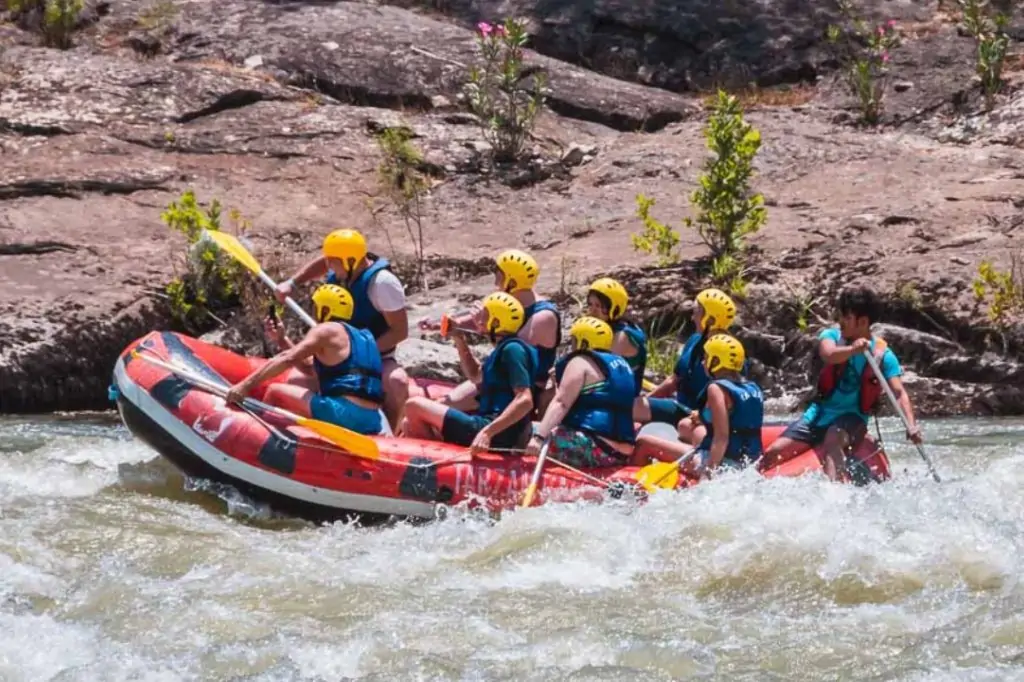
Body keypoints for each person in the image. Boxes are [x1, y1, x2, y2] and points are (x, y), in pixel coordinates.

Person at [759, 286, 922, 482]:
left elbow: (898, 393)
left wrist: (910, 425)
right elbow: (828, 354)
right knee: (773, 452)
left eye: (846, 317)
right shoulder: (832, 337)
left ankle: (834, 494)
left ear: (862, 322)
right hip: (818, 414)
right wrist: (853, 350)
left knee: (833, 438)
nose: (840, 321)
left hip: (852, 419)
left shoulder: (883, 356)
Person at [275, 229, 410, 431]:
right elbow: (323, 262)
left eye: (332, 261)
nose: (328, 266)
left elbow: (400, 331)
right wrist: (293, 283)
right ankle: (303, 436)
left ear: (350, 261)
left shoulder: (382, 284)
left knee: (397, 382)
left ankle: (389, 436)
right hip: (336, 355)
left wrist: (362, 354)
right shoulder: (344, 268)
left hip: (377, 356)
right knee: (296, 380)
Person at [224, 284, 385, 435]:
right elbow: (309, 369)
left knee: (275, 391)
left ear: (325, 309)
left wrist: (244, 386)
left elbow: (288, 359)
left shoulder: (326, 330)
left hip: (343, 413)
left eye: (315, 306)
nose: (313, 311)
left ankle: (257, 438)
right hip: (371, 419)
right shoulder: (363, 337)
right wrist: (282, 339)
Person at [401, 292, 538, 454]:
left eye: (484, 316)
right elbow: (475, 375)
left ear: (495, 322)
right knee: (407, 423)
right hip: (489, 425)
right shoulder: (504, 349)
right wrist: (459, 338)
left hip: (498, 431)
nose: (477, 320)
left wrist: (487, 433)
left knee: (414, 405)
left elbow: (525, 400)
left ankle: (433, 461)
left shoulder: (512, 350)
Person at [438, 249, 561, 413]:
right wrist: (456, 324)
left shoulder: (543, 317)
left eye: (498, 275)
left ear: (511, 281)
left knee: (445, 407)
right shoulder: (506, 299)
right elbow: (492, 322)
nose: (496, 282)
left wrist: (482, 325)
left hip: (522, 385)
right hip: (498, 377)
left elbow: (507, 355)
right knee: (443, 402)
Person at [636, 334, 763, 477]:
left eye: (707, 358)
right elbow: (737, 419)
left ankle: (631, 482)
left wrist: (708, 475)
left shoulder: (716, 389)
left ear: (716, 361)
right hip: (749, 464)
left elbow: (721, 438)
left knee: (644, 443)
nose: (703, 362)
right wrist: (702, 417)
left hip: (724, 465)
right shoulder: (753, 388)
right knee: (686, 426)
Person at [526, 317, 640, 468]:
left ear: (583, 342)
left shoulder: (580, 361)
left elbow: (561, 403)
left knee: (525, 429)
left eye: (573, 340)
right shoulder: (622, 365)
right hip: (621, 454)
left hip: (593, 447)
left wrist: (538, 437)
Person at [640, 288, 740, 443]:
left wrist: (703, 417)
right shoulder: (694, 340)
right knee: (634, 406)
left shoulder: (730, 351)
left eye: (697, 312)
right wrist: (646, 400)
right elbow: (674, 380)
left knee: (685, 427)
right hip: (679, 408)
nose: (693, 318)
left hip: (702, 418)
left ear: (710, 319)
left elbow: (732, 395)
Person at [585, 278, 647, 397]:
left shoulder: (621, 336)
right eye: (590, 304)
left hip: (622, 398)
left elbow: (598, 367)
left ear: (615, 307)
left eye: (599, 306)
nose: (593, 310)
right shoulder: (605, 327)